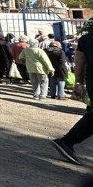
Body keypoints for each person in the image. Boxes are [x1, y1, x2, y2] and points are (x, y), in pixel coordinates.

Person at [51, 31, 93, 165]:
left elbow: (79, 63)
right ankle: (66, 142)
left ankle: (67, 142)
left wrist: (79, 82)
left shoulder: (86, 39)